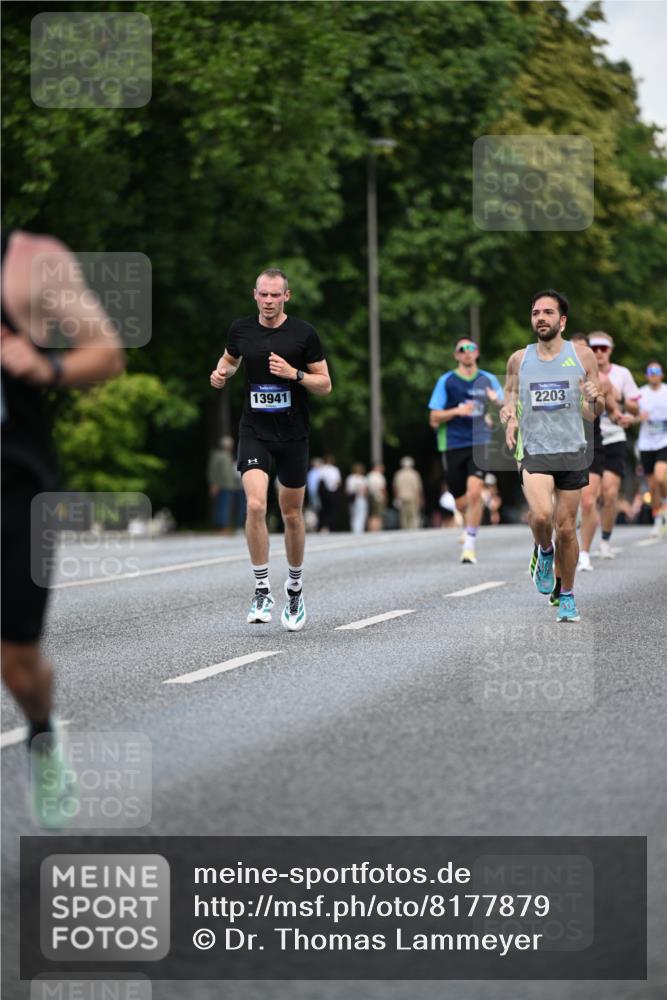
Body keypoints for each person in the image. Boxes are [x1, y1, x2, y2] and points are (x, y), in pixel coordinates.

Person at [1, 229, 124, 824]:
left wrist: (44, 365)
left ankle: (43, 734)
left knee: (15, 662)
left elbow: (106, 351)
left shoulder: (29, 261)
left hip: (15, 489)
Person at [209, 268, 331, 631]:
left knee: (291, 515)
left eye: (275, 295)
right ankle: (262, 589)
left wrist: (294, 374)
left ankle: (294, 589)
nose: (268, 301)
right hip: (254, 432)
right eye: (263, 294)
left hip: (293, 436)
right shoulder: (241, 329)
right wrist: (221, 374)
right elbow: (229, 361)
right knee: (257, 504)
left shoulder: (303, 333)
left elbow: (325, 384)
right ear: (255, 294)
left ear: (286, 297)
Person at [501, 290, 603, 622]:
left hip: (571, 451)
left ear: (562, 321)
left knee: (567, 530)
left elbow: (593, 414)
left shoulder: (583, 356)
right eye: (535, 313)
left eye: (547, 312)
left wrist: (593, 398)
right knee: (542, 517)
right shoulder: (519, 359)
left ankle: (569, 595)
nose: (540, 317)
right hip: (535, 450)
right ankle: (545, 553)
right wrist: (510, 419)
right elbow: (510, 398)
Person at [428, 336, 504, 564]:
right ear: (457, 355)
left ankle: (470, 544)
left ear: (477, 353)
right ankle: (466, 520)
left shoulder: (488, 379)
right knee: (460, 500)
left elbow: (506, 409)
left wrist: (495, 403)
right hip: (453, 443)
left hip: (480, 441)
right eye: (462, 349)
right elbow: (434, 417)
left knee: (475, 492)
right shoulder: (447, 381)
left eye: (471, 349)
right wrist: (457, 412)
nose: (467, 352)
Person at [569, 333, 622, 572]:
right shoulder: (557, 375)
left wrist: (619, 415)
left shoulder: (600, 379)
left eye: (584, 351)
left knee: (589, 500)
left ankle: (585, 553)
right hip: (563, 441)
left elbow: (608, 408)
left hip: (592, 441)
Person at [588, 331, 640, 558]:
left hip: (614, 437)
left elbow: (636, 408)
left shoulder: (622, 373)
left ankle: (605, 540)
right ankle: (586, 536)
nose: (599, 352)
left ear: (610, 349)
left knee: (610, 495)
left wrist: (619, 400)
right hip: (589, 438)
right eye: (595, 348)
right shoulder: (582, 372)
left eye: (603, 348)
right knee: (591, 495)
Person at [637, 361, 667, 537]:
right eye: (650, 371)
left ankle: (665, 502)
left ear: (662, 374)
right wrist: (637, 416)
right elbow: (632, 415)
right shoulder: (641, 394)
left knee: (659, 476)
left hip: (664, 441)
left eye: (657, 371)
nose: (654, 374)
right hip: (646, 443)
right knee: (652, 485)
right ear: (647, 375)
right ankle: (657, 518)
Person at [207, 435, 245, 533]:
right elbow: (213, 471)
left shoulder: (227, 456)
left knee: (225, 506)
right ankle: (221, 526)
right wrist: (214, 484)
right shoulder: (218, 455)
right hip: (222, 485)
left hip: (229, 486)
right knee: (222, 506)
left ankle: (223, 526)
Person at [392, 456, 424, 530]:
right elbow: (418, 488)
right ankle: (413, 530)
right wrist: (420, 498)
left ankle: (404, 529)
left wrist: (397, 497)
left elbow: (395, 488)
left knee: (403, 516)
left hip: (402, 497)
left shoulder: (398, 474)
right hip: (413, 497)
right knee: (413, 515)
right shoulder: (414, 474)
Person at [318, 453, 342, 533]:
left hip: (324, 492)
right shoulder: (335, 469)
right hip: (333, 492)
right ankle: (332, 527)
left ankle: (324, 526)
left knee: (324, 510)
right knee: (333, 510)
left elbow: (320, 480)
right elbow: (338, 481)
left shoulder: (322, 468)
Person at [345, 462, 368, 534]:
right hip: (360, 498)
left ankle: (354, 529)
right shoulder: (363, 479)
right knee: (361, 514)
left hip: (352, 499)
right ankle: (359, 530)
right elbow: (365, 491)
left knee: (353, 515)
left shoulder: (350, 478)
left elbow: (347, 491)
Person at [366, 462, 387, 531]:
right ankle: (377, 528)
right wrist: (385, 497)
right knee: (378, 514)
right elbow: (382, 488)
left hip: (370, 496)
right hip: (378, 496)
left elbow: (366, 488)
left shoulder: (369, 475)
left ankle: (371, 528)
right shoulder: (379, 476)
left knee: (371, 513)